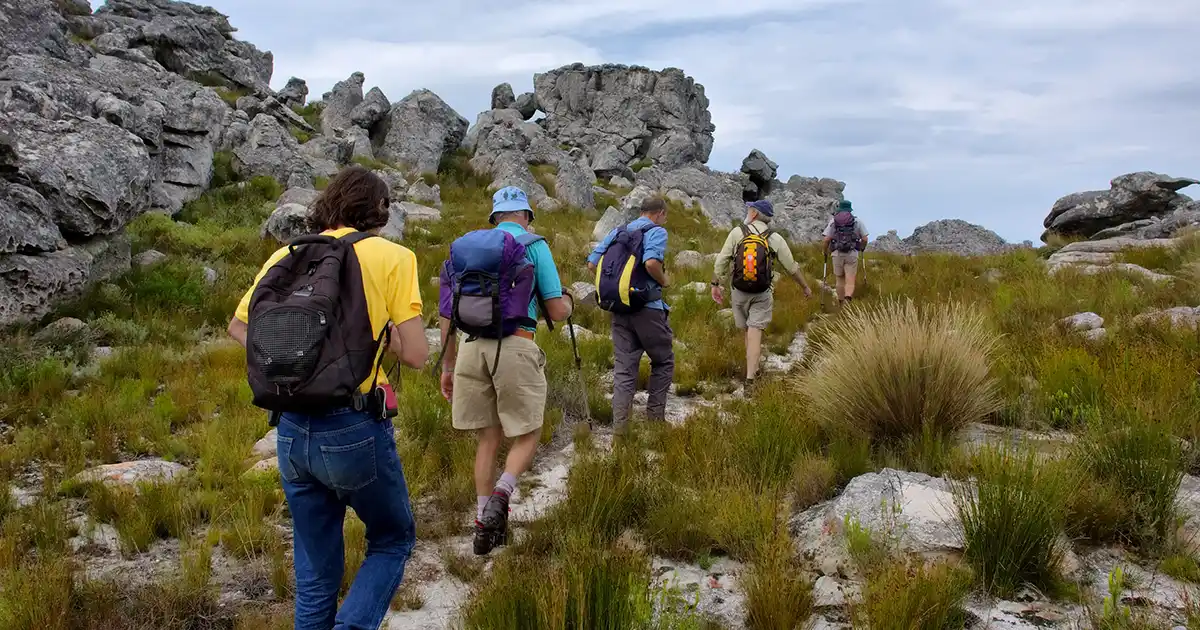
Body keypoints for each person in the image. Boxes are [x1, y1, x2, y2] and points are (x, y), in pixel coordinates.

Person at [227, 165, 429, 630]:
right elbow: (416, 355)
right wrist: (382, 339)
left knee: (316, 573)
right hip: (354, 427)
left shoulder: (288, 256)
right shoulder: (393, 256)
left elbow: (240, 327)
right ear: (379, 210)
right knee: (392, 539)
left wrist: (301, 367)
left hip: (292, 429)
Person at [437, 185, 573, 556]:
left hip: (470, 348)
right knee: (529, 431)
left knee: (488, 438)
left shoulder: (466, 249)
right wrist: (570, 303)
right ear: (526, 215)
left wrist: (447, 366)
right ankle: (503, 492)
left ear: (494, 217)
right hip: (516, 344)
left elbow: (447, 315)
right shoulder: (534, 245)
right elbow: (557, 311)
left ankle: (485, 524)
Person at [587, 196, 674, 433]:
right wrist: (664, 280)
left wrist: (617, 286)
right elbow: (651, 263)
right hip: (648, 310)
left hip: (619, 310)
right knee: (663, 361)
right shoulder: (656, 232)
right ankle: (655, 422)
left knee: (624, 370)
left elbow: (592, 264)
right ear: (659, 213)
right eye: (665, 217)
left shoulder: (617, 231)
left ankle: (620, 431)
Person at [711, 199, 812, 386]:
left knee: (747, 332)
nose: (747, 211)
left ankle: (752, 368)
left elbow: (721, 261)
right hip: (762, 292)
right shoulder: (774, 238)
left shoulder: (737, 232)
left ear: (754, 213)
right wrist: (805, 286)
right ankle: (751, 377)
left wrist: (715, 284)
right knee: (755, 331)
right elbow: (791, 267)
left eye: (749, 208)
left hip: (739, 291)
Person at [822, 199, 869, 304]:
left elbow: (826, 240)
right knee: (850, 279)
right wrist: (862, 247)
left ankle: (841, 302)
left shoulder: (833, 221)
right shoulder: (857, 221)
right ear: (850, 209)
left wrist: (825, 251)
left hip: (837, 253)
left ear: (839, 208)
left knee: (839, 279)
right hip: (852, 253)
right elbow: (865, 239)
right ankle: (848, 299)